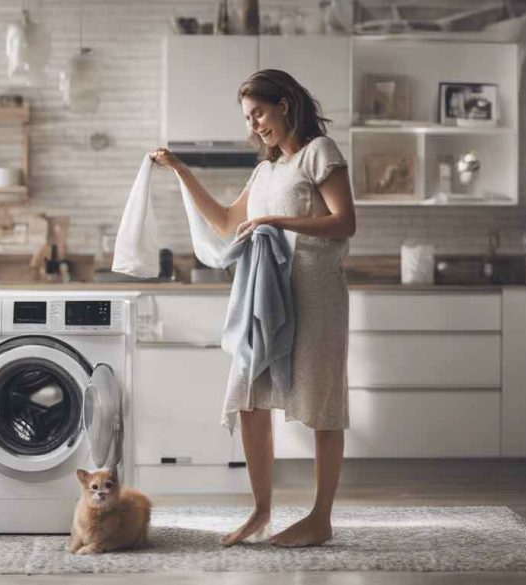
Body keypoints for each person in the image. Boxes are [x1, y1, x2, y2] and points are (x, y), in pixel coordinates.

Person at [149, 69, 355, 548]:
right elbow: (225, 222)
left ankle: (320, 517)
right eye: (248, 118)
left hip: (318, 296)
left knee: (324, 407)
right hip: (269, 299)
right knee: (248, 399)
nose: (254, 125)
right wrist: (182, 170)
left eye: (258, 113)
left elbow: (344, 223)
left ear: (284, 104)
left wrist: (275, 221)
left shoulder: (320, 153)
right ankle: (261, 511)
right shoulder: (264, 171)